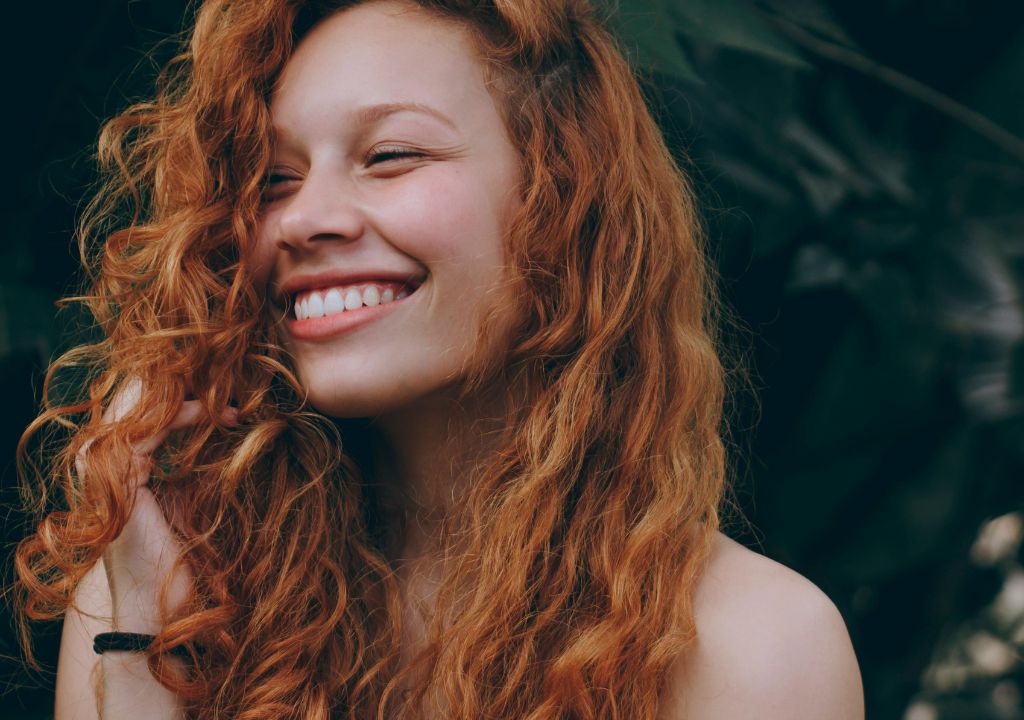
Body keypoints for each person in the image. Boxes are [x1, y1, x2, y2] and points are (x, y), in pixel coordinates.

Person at [14, 0, 864, 717]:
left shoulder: (756, 646)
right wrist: (140, 652)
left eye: (391, 156)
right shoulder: (154, 589)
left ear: (563, 200)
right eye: (273, 179)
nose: (305, 220)